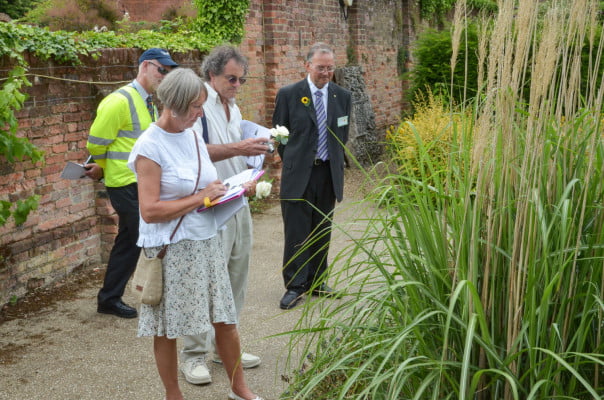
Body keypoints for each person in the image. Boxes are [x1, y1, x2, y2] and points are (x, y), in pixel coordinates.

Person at [127, 67, 263, 400]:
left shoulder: (191, 135)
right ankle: (174, 395)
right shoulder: (149, 146)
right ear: (172, 104)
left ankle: (239, 389)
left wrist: (232, 189)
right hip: (171, 248)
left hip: (206, 240)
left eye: (201, 106)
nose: (200, 113)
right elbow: (150, 210)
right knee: (167, 327)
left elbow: (206, 185)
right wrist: (202, 199)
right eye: (195, 107)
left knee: (224, 318)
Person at [180, 45, 269, 385]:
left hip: (237, 203)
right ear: (212, 74)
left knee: (236, 279)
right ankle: (192, 356)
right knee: (203, 281)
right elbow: (191, 152)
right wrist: (240, 149)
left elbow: (234, 155)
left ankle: (223, 347)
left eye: (242, 80)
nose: (237, 85)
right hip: (207, 208)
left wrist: (253, 165)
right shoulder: (198, 103)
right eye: (231, 78)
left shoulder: (234, 106)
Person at [86, 48, 178, 318]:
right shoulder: (119, 101)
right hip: (124, 183)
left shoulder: (148, 101)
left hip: (140, 182)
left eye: (168, 72)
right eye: (162, 69)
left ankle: (110, 298)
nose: (165, 75)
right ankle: (133, 294)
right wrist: (101, 167)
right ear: (146, 66)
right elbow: (96, 142)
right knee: (140, 237)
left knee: (130, 239)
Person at [272, 42, 352, 310]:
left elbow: (342, 134)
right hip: (299, 175)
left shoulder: (342, 96)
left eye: (330, 68)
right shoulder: (289, 94)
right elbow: (280, 136)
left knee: (321, 230)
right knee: (297, 231)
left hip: (328, 175)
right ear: (307, 66)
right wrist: (296, 161)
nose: (326, 73)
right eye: (320, 68)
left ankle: (318, 282)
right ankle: (295, 286)